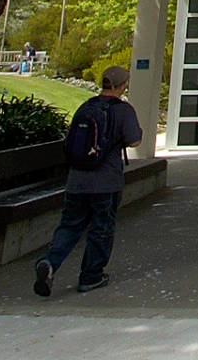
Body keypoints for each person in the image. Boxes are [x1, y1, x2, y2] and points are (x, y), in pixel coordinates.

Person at [33, 65, 143, 297]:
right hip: (106, 181)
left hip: (77, 180)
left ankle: (50, 262)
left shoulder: (86, 106)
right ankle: (91, 275)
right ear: (122, 85)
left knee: (70, 224)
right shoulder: (123, 110)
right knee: (101, 228)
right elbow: (134, 141)